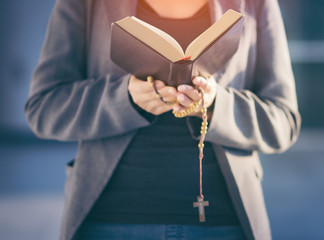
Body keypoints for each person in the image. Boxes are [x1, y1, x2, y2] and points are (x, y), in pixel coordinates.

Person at [24, 0, 301, 239]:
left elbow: (284, 121)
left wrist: (217, 104)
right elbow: (43, 108)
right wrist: (125, 99)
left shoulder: (256, 4)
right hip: (109, 221)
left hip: (225, 223)